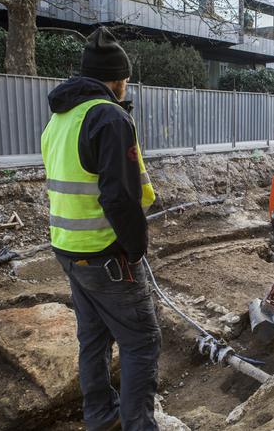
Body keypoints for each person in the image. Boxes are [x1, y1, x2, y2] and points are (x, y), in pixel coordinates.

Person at [41, 27, 160, 431]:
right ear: (118, 78)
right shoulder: (109, 117)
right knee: (141, 342)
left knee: (93, 339)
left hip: (69, 250)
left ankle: (100, 416)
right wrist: (135, 247)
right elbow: (120, 197)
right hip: (107, 254)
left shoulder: (60, 118)